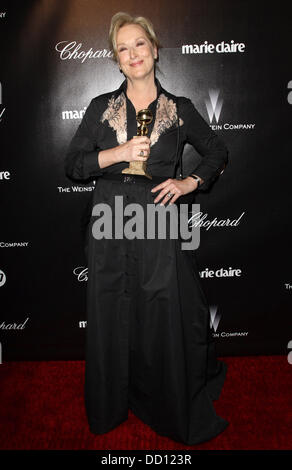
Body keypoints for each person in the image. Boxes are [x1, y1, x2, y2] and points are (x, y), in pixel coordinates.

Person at [65, 11, 229, 445]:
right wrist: (116, 152)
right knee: (111, 312)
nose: (133, 54)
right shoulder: (102, 107)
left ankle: (162, 402)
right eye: (123, 48)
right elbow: (74, 165)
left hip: (157, 217)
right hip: (109, 217)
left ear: (155, 51)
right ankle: (112, 404)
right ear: (116, 60)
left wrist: (190, 181)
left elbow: (216, 151)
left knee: (161, 313)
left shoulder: (181, 110)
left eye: (140, 44)